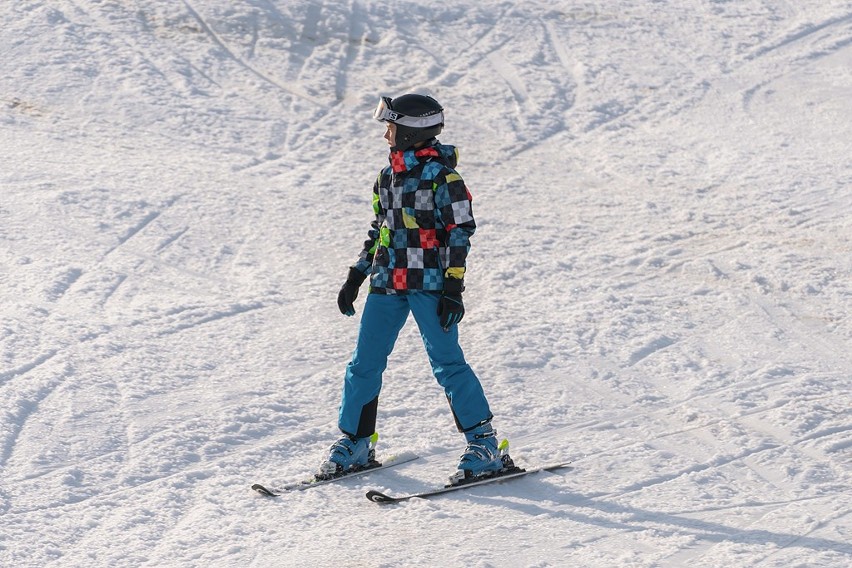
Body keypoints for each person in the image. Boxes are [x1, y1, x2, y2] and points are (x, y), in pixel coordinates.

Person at [320, 93, 509, 484]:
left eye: (390, 127)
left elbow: (460, 233)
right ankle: (356, 441)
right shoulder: (386, 177)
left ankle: (484, 444)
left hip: (429, 283)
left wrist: (453, 286)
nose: (385, 134)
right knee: (363, 364)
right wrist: (356, 274)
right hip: (387, 282)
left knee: (447, 363)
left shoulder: (444, 178)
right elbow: (380, 230)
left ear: (409, 132)